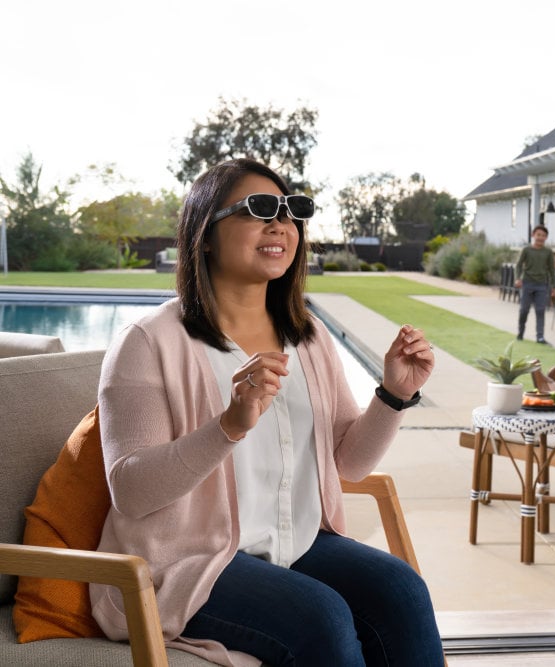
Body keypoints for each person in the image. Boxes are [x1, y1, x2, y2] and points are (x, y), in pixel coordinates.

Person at [90, 159, 444, 666]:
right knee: (320, 616)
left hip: (295, 542)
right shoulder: (149, 342)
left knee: (402, 590)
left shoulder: (310, 336)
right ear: (205, 233)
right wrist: (228, 425)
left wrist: (391, 395)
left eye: (291, 211)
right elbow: (131, 490)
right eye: (259, 209)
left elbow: (347, 466)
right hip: (186, 561)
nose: (280, 224)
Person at [514, 225, 555, 344]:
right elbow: (518, 265)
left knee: (540, 310)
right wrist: (517, 278)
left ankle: (540, 337)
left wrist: (553, 286)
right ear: (533, 235)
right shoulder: (526, 250)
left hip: (542, 285)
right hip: (527, 283)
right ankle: (520, 333)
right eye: (538, 235)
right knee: (524, 310)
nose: (540, 238)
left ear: (546, 237)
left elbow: (552, 270)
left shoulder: (548, 252)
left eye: (543, 236)